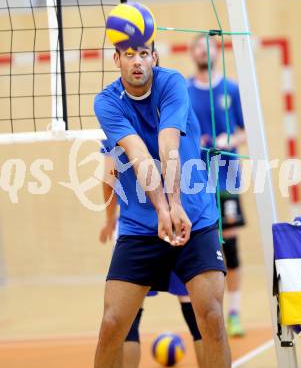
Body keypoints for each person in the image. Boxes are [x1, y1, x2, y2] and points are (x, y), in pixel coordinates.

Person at [93, 29, 231, 367]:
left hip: (194, 219)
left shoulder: (172, 84)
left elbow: (168, 146)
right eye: (129, 54)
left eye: (143, 53)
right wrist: (160, 209)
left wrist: (176, 205)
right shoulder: (107, 102)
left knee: (210, 316)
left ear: (154, 57)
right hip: (140, 226)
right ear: (117, 60)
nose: (137, 61)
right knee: (113, 324)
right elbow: (138, 155)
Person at [99, 149, 203, 367]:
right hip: (180, 224)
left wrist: (110, 221)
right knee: (200, 315)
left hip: (137, 231)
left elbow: (109, 179)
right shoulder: (177, 121)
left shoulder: (117, 122)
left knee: (128, 320)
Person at [188, 34, 247, 337]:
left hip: (226, 176)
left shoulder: (231, 88)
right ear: (191, 54)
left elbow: (244, 132)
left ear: (216, 52)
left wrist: (230, 140)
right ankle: (211, 313)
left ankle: (234, 312)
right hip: (195, 180)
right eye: (197, 47)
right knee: (203, 248)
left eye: (206, 47)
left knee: (231, 247)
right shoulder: (184, 91)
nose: (202, 51)